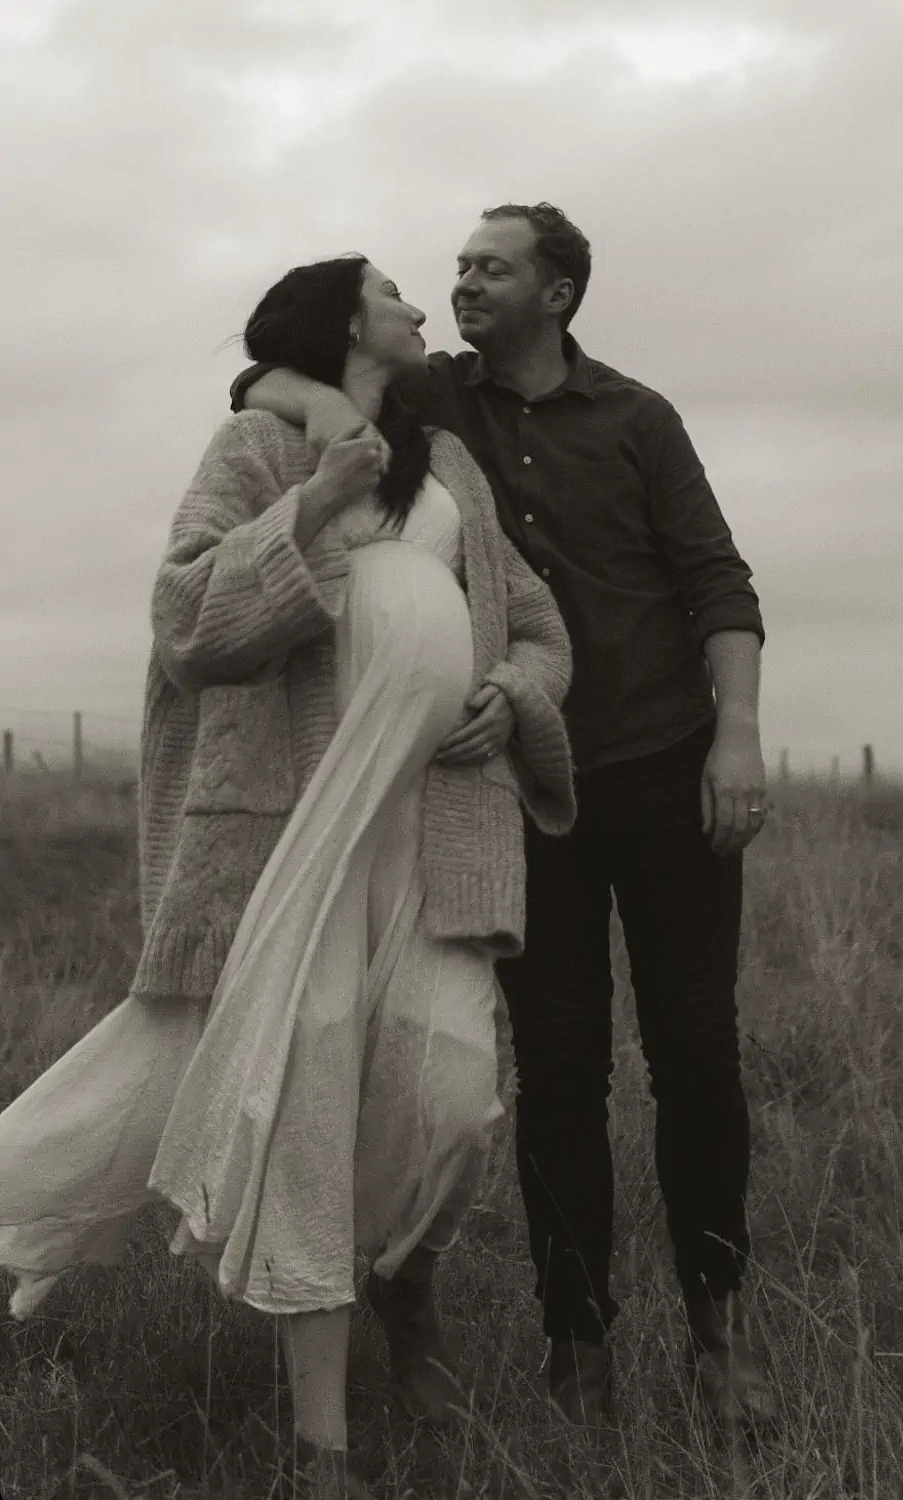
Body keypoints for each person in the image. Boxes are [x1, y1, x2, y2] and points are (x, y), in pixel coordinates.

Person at [0, 254, 574, 1499]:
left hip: (431, 828)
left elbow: (534, 621)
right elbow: (188, 619)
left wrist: (514, 692)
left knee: (455, 1095)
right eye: (395, 295)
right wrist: (315, 499)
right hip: (293, 832)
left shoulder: (451, 465)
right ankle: (324, 1449)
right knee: (303, 1111)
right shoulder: (259, 449)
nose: (422, 309)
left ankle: (398, 1278)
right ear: (341, 323)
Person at [234, 204, 776, 1429]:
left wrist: (737, 732)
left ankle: (721, 1332)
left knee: (695, 1055)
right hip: (532, 794)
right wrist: (314, 404)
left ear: (561, 293)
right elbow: (271, 369)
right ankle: (577, 1348)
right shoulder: (440, 404)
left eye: (493, 267)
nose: (463, 282)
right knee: (563, 1073)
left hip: (667, 766)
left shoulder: (641, 419)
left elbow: (717, 582)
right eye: (458, 267)